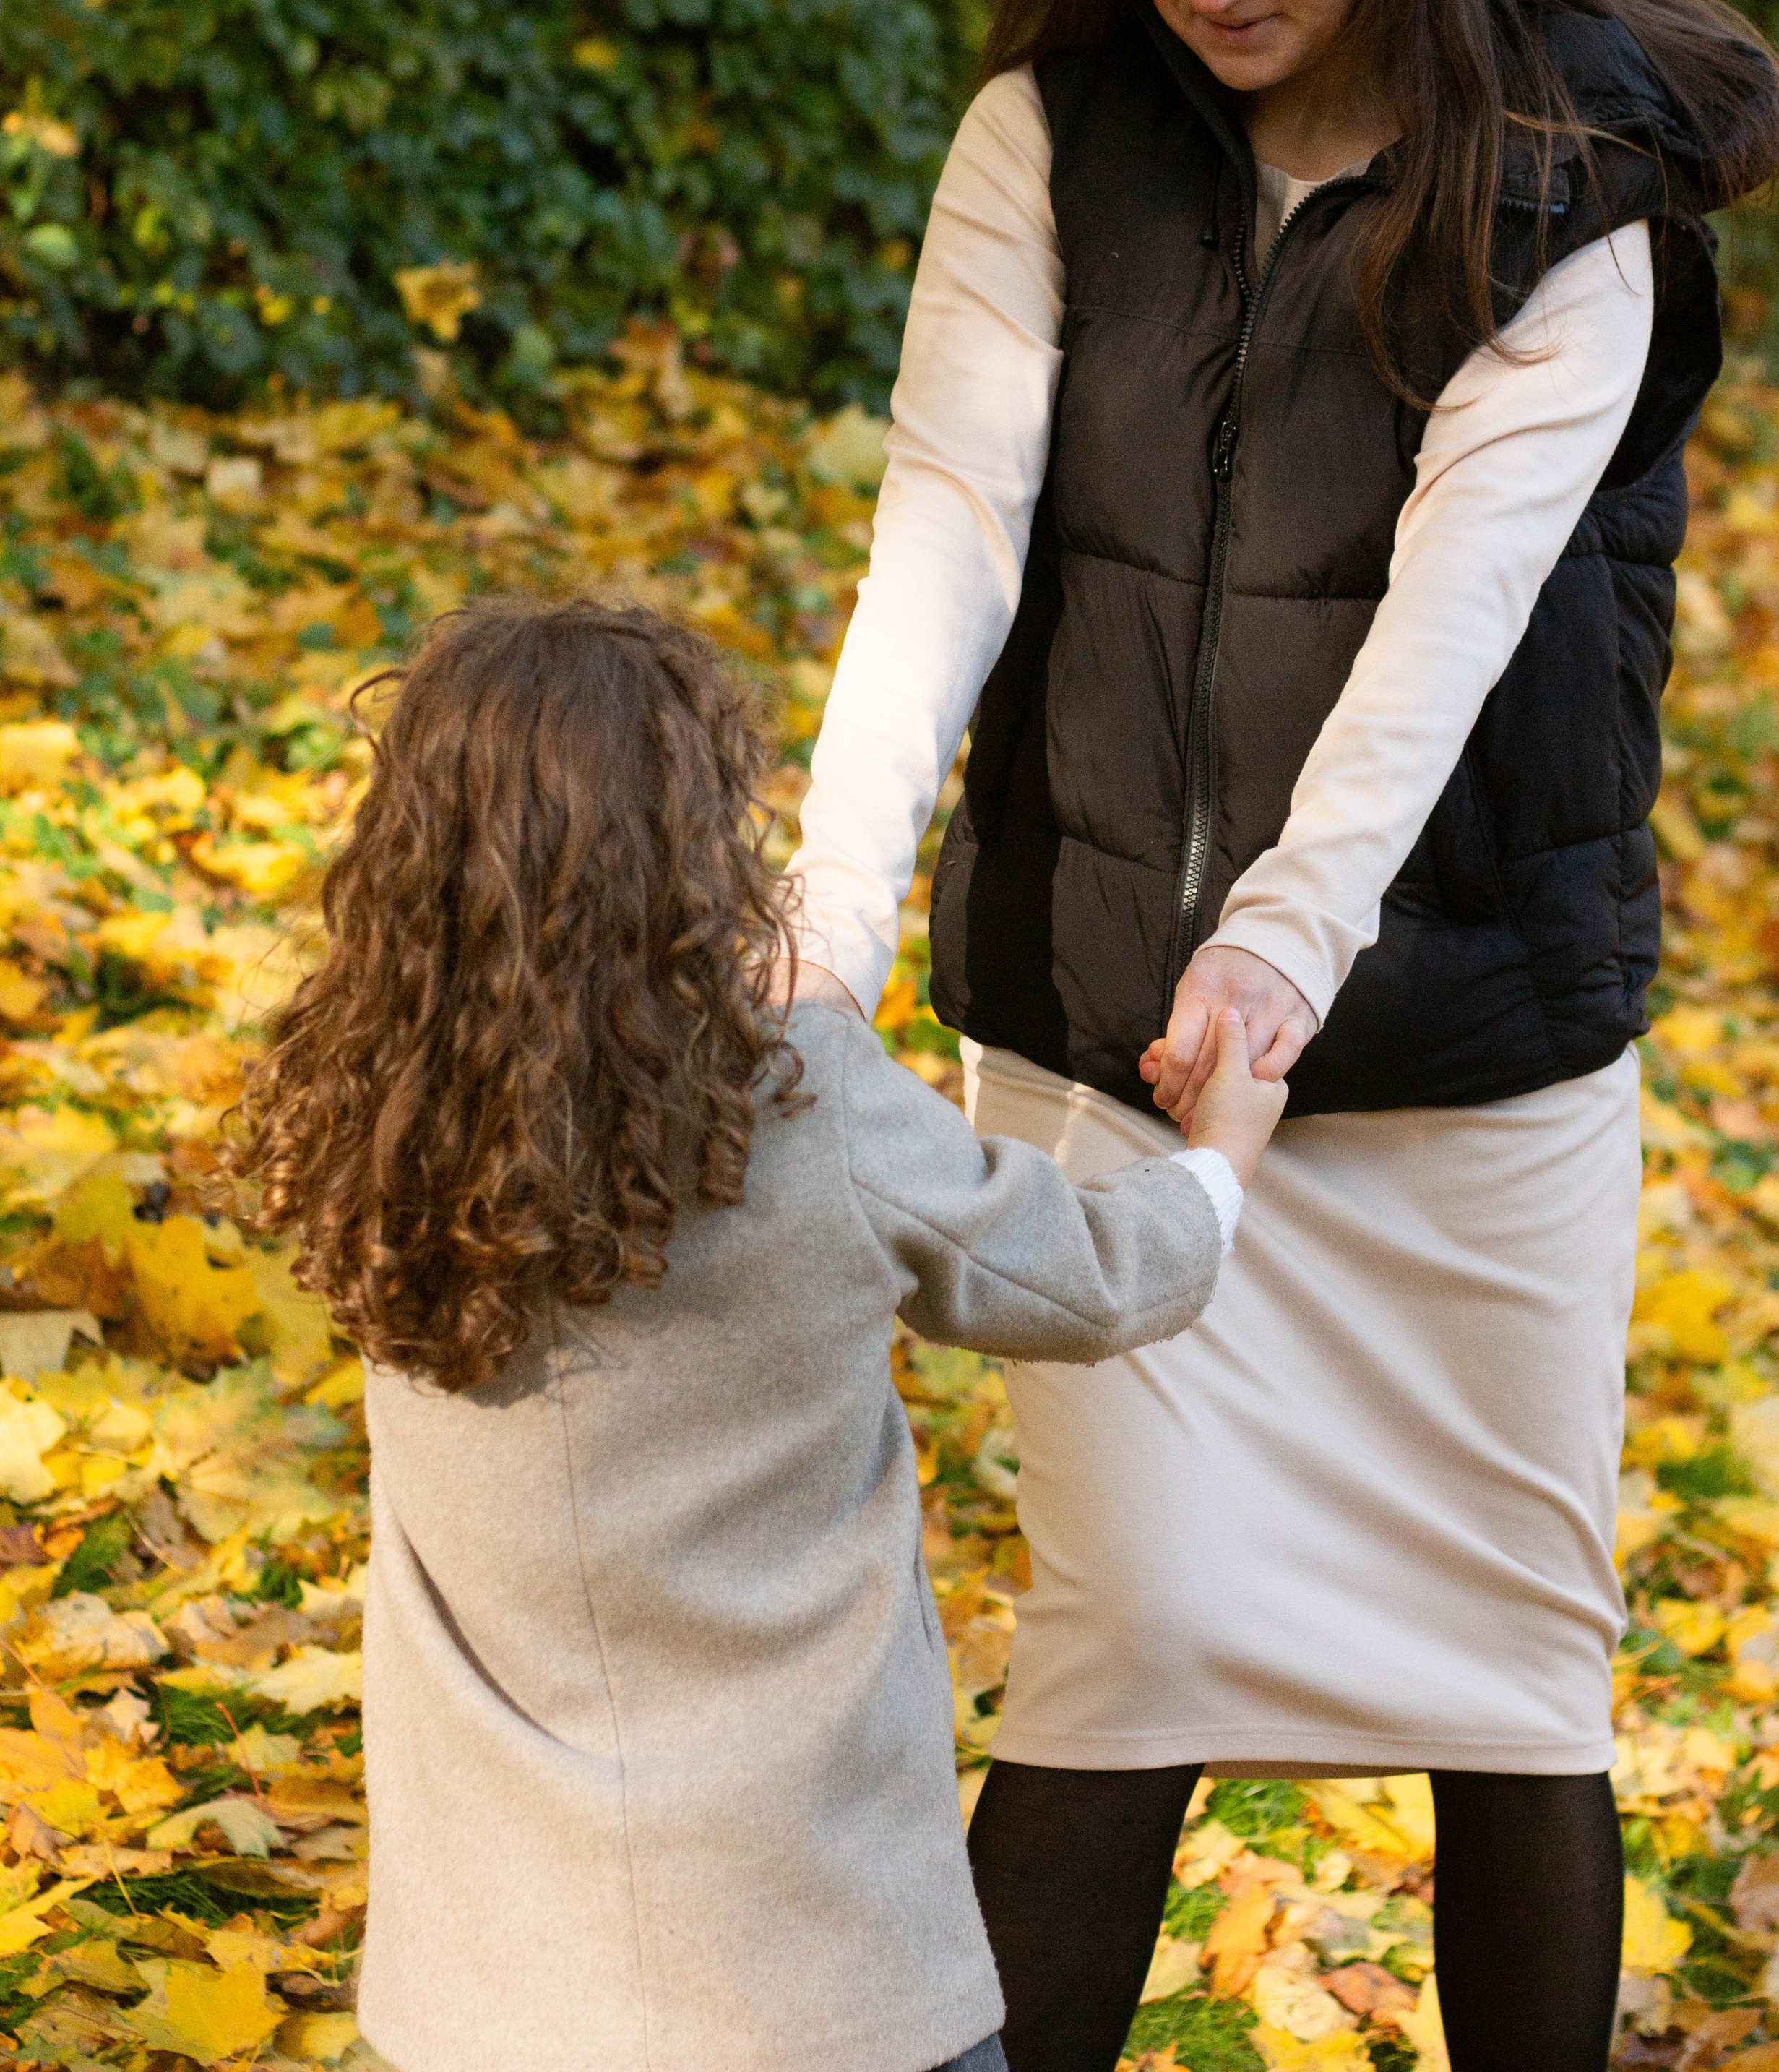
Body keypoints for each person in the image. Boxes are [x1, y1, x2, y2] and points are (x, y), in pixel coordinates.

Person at [788, 0, 1779, 2072]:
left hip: (1467, 1068)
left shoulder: (1574, 189)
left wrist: (1280, 947)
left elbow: (1456, 615)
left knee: (1510, 1677)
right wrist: (822, 925)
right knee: (1124, 1651)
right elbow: (947, 532)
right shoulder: (1054, 138)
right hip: (1109, 1049)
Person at [227, 593, 1285, 2072]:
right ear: (692, 846)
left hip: (490, 1990)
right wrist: (1221, 1158)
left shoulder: (386, 1120)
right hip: (813, 1973)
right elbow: (1091, 1279)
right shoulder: (797, 1096)